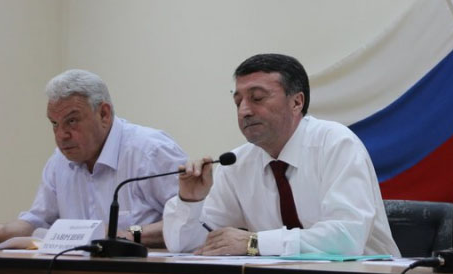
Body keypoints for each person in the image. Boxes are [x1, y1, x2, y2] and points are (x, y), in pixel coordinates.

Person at [163, 53, 400, 257]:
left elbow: (346, 239)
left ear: (297, 102)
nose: (244, 111)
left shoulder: (336, 144)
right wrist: (190, 202)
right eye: (238, 102)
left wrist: (254, 243)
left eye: (257, 98)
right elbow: (188, 247)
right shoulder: (236, 163)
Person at [0, 69, 187, 247]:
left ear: (104, 114)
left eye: (72, 121)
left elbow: (190, 220)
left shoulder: (150, 151)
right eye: (54, 124)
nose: (61, 135)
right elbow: (37, 221)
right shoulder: (59, 161)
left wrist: (127, 234)